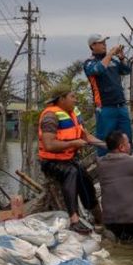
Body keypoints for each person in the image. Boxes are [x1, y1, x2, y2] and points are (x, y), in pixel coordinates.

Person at [38, 84, 105, 234]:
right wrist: (73, 143)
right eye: (72, 97)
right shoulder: (50, 116)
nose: (76, 100)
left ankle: (100, 219)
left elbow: (86, 136)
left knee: (86, 181)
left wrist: (106, 145)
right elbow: (49, 145)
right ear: (61, 99)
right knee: (71, 173)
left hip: (69, 158)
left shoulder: (74, 113)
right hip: (51, 162)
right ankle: (74, 220)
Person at [84, 34, 132, 156]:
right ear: (93, 46)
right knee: (104, 141)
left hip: (121, 106)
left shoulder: (113, 61)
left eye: (105, 42)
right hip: (105, 108)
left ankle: (128, 165)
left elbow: (126, 70)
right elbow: (97, 70)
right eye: (101, 42)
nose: (105, 44)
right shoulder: (89, 63)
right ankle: (104, 166)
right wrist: (110, 54)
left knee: (126, 139)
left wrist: (121, 58)